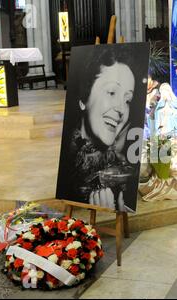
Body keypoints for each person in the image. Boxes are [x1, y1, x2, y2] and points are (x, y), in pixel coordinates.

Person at [57, 46, 147, 212]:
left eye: (127, 100)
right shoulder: (69, 169)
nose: (121, 109)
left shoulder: (121, 174)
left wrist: (119, 208)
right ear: (84, 98)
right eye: (112, 92)